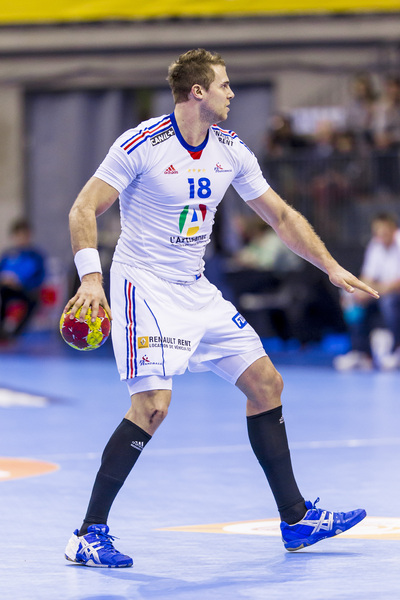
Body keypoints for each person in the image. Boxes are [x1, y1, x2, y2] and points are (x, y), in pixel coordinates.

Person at [63, 49, 378, 568]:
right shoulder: (142, 143)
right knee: (153, 407)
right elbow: (83, 208)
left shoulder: (230, 149)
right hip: (145, 287)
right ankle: (88, 533)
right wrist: (92, 279)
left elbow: (280, 216)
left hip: (196, 287)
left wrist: (330, 266)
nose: (231, 93)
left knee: (267, 384)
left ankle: (297, 519)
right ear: (197, 92)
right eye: (224, 85)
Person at [334, 212, 400, 371]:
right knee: (351, 299)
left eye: (384, 231)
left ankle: (396, 350)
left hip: (394, 294)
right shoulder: (375, 244)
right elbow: (367, 276)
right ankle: (362, 353)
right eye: (377, 232)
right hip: (381, 292)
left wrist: (376, 290)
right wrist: (359, 291)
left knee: (388, 302)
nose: (380, 235)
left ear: (393, 229)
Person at [0, 218, 46, 340]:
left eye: (24, 235)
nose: (21, 238)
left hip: (26, 291)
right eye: (18, 235)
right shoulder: (7, 255)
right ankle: (2, 329)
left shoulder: (36, 256)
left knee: (34, 300)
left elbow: (39, 278)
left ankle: (16, 333)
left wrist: (21, 283)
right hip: (5, 290)